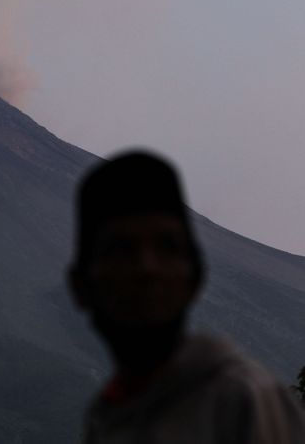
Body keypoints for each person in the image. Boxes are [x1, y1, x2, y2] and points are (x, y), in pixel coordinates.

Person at [68, 150, 305, 443]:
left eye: (167, 247)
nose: (147, 270)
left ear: (195, 278)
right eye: (121, 249)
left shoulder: (243, 403)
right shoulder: (109, 418)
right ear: (80, 286)